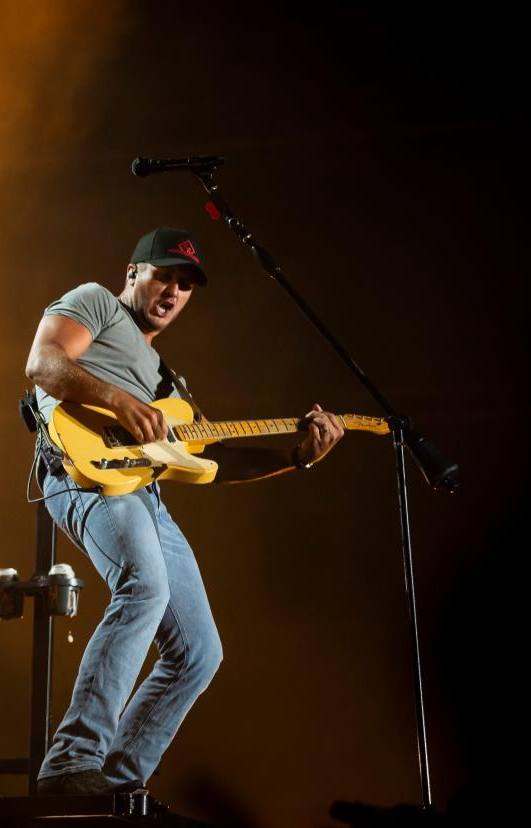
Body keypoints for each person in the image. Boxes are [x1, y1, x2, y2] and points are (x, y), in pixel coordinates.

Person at [24, 227, 344, 796]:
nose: (173, 291)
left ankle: (119, 786)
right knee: (145, 589)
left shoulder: (173, 385)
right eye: (164, 275)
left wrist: (298, 457)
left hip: (145, 490)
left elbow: (215, 461)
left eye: (186, 285)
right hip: (82, 470)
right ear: (134, 272)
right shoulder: (96, 301)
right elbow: (43, 363)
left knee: (200, 652)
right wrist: (118, 400)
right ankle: (71, 763)